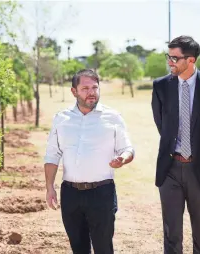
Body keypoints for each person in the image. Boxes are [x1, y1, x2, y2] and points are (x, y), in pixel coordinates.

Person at [44, 69, 134, 254]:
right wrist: (49, 187)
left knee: (103, 248)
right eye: (85, 88)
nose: (91, 92)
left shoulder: (113, 117)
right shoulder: (61, 119)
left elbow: (128, 149)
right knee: (79, 249)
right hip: (70, 194)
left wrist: (123, 159)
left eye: (95, 87)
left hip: (102, 194)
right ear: (73, 91)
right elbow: (52, 155)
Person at [151, 35, 200, 253]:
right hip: (170, 168)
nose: (169, 62)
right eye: (168, 56)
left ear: (191, 60)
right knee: (171, 236)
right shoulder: (161, 86)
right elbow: (162, 125)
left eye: (175, 58)